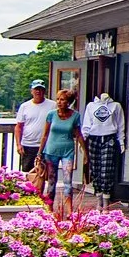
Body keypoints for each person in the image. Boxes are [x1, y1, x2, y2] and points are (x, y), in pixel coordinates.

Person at [40, 88, 83, 219]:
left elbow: (78, 134)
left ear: (68, 102)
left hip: (67, 151)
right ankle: (49, 208)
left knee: (67, 181)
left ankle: (69, 211)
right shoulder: (51, 114)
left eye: (62, 99)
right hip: (51, 151)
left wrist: (85, 152)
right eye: (58, 99)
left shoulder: (75, 116)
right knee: (51, 181)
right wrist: (39, 152)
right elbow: (45, 135)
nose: (59, 102)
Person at [14, 80, 55, 176]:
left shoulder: (53, 105)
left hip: (46, 146)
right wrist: (18, 144)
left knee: (45, 173)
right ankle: (28, 191)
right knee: (27, 173)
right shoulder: (24, 106)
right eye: (36, 89)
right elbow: (19, 127)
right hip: (28, 145)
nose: (38, 92)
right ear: (31, 91)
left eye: (41, 89)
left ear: (44, 91)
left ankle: (42, 190)